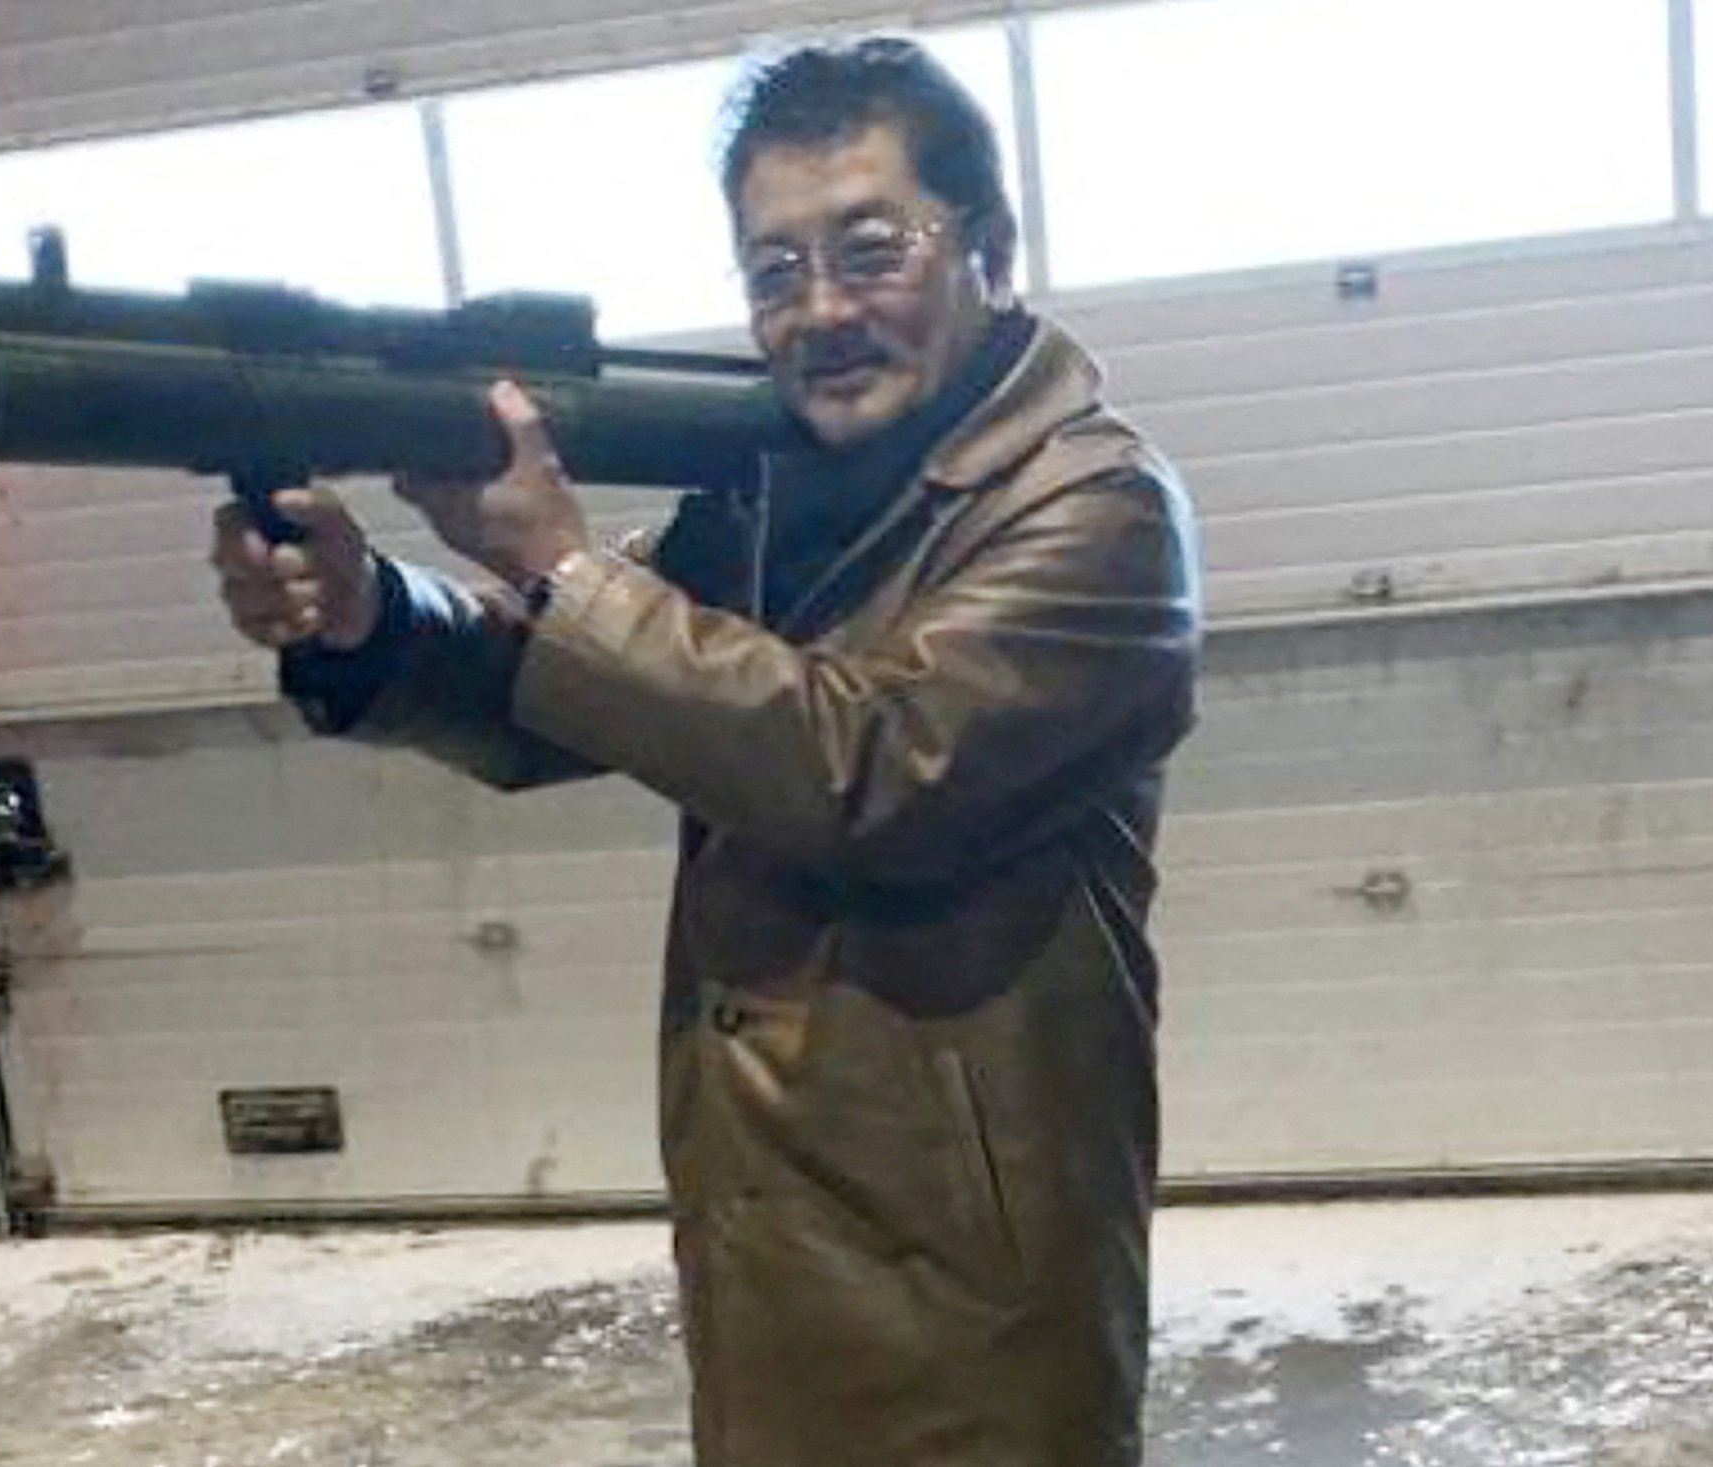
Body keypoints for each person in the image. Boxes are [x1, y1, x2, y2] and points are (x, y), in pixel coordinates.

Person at [211, 37, 1200, 1467]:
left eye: (870, 250)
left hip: (972, 1272)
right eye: (775, 271)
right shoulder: (782, 497)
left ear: (987, 247)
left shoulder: (1094, 511)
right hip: (770, 1228)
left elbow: (870, 770)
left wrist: (557, 561)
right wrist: (372, 617)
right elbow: (567, 682)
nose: (821, 312)